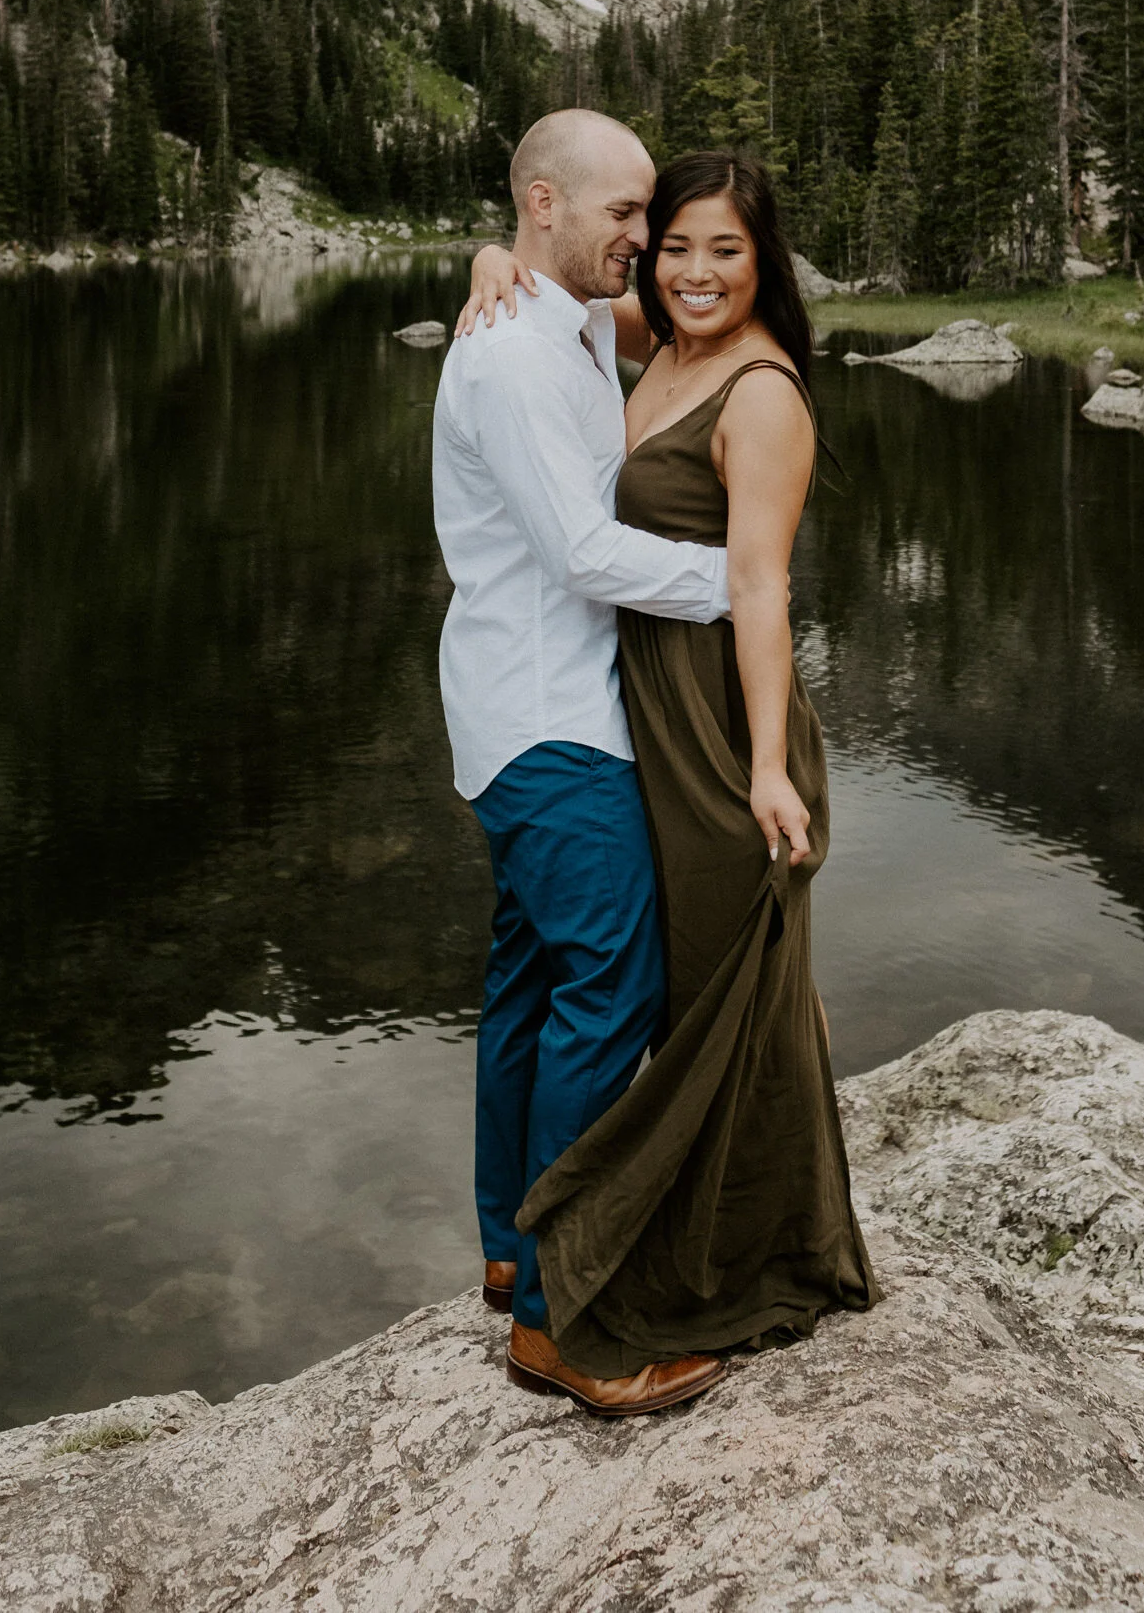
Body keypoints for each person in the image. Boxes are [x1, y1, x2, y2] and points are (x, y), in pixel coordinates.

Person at [459, 148, 878, 1381]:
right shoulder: (656, 334)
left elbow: (759, 585)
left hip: (714, 731)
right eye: (673, 242)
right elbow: (558, 289)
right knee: (682, 986)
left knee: (713, 992)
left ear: (766, 264)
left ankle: (729, 1253)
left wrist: (766, 768)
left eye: (725, 251)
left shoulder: (760, 393)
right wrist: (492, 258)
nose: (690, 269)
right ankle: (561, 1247)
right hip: (634, 707)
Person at [432, 109, 736, 1418]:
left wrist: (483, 261)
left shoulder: (557, 323)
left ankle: (509, 1247)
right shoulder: (510, 364)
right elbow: (582, 557)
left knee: (531, 980)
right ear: (545, 204)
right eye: (623, 216)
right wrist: (745, 583)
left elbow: (703, 307)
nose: (643, 240)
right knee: (609, 990)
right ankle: (567, 1323)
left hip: (520, 713)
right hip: (554, 727)